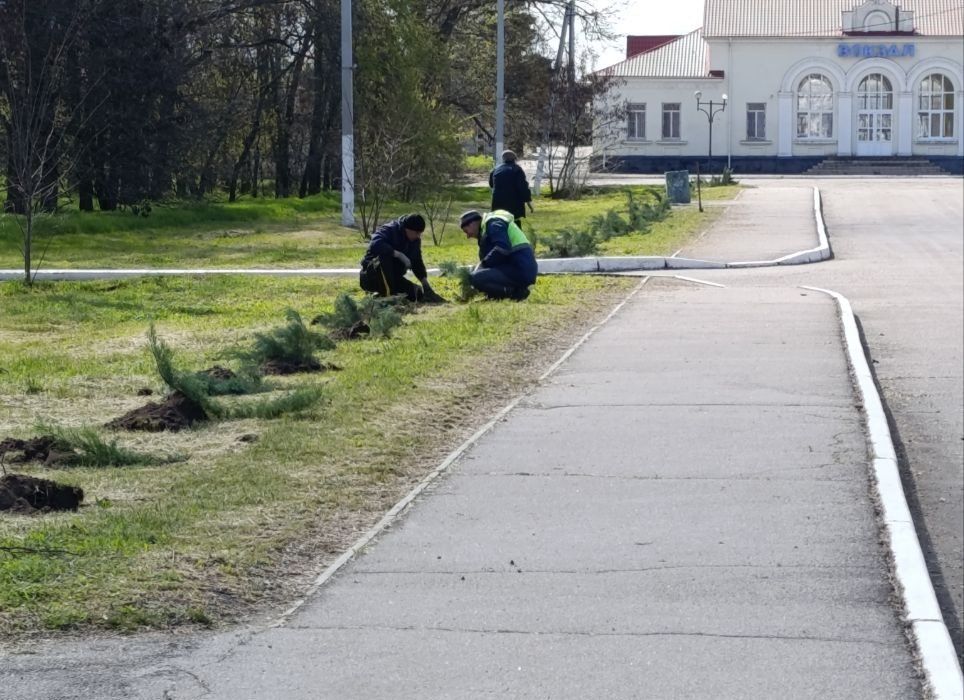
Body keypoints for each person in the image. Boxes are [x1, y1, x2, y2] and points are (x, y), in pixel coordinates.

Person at [359, 213, 444, 302]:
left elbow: (416, 261)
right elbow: (375, 244)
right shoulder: (390, 229)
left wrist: (425, 283)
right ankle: (388, 296)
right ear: (407, 229)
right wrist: (399, 255)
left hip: (394, 278)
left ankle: (385, 294)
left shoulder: (415, 240)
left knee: (417, 293)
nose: (418, 236)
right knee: (385, 254)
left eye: (420, 233)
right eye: (417, 233)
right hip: (372, 276)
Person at [459, 209, 537, 301]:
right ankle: (496, 295)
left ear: (472, 224)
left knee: (476, 278)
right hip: (518, 267)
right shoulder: (487, 228)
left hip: (521, 268)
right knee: (478, 275)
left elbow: (502, 248)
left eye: (466, 231)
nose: (468, 236)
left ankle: (516, 293)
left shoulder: (494, 224)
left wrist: (483, 265)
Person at [488, 150, 533, 223]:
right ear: (514, 159)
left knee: (500, 223)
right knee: (515, 223)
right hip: (513, 203)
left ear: (503, 159)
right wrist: (528, 201)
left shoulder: (495, 169)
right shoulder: (517, 169)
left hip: (497, 202)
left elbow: (491, 184)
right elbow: (522, 187)